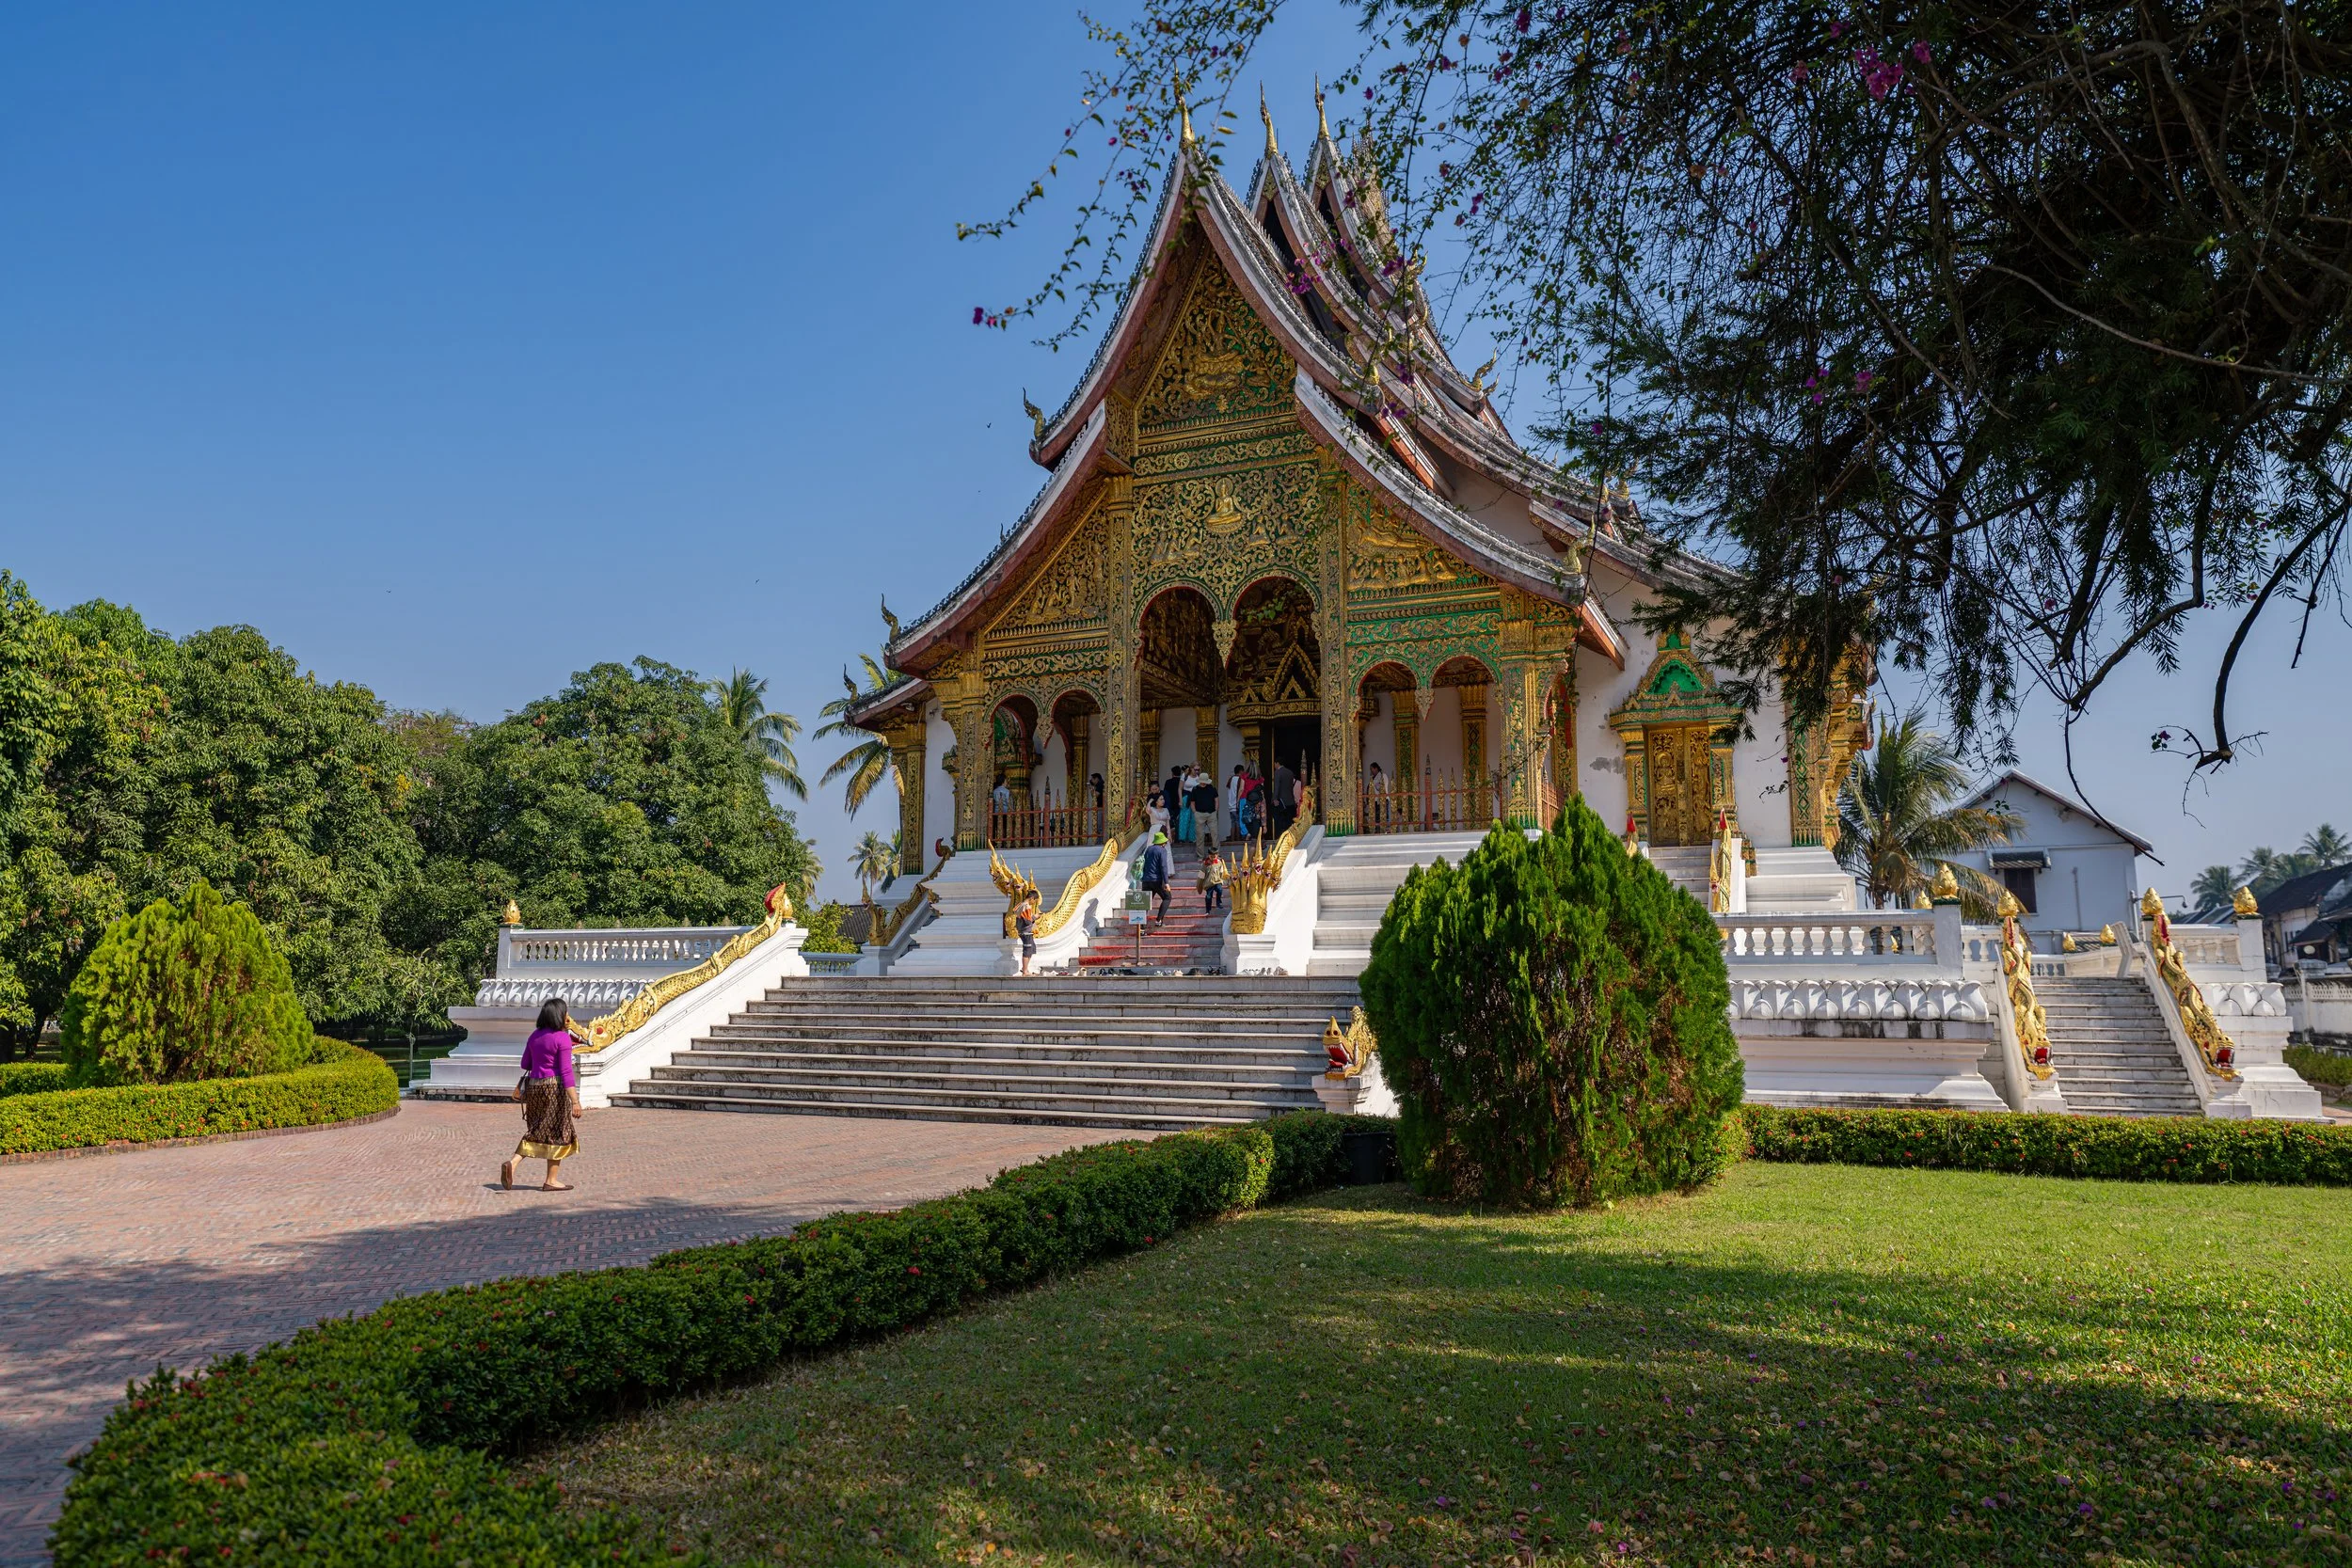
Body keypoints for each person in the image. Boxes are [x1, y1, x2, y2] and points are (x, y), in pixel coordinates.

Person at [503, 998, 585, 1192]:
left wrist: (541, 1059)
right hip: (553, 1088)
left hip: (535, 1086)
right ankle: (551, 1179)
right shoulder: (562, 1037)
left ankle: (515, 1163)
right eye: (565, 1012)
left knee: (538, 1127)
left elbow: (525, 1064)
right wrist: (575, 1101)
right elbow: (566, 1071)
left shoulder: (535, 1036)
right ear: (559, 1015)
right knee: (559, 1131)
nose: (568, 1016)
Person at [1140, 831, 1172, 922]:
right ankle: (1159, 920)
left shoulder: (1148, 849)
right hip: (1157, 880)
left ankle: (1141, 928)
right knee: (1167, 898)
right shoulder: (1162, 850)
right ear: (1162, 842)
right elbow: (1163, 866)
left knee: (1145, 904)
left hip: (1146, 880)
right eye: (1165, 842)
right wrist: (1166, 883)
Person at [1190, 769, 1219, 852]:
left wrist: (1215, 811)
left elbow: (1216, 800)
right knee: (1200, 836)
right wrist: (1195, 812)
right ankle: (1200, 855)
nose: (1203, 783)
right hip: (1199, 814)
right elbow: (1192, 802)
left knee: (1215, 834)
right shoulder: (1195, 789)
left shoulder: (1212, 789)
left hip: (1211, 813)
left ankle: (1216, 854)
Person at [1014, 892, 1040, 975]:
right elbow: (1028, 921)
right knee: (1027, 949)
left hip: (1025, 931)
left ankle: (1025, 968)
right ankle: (1025, 971)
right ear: (1032, 898)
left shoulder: (1021, 905)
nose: (1033, 903)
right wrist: (1035, 917)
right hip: (1025, 931)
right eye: (1034, 901)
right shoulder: (1026, 906)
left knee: (1031, 948)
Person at [1271, 758, 1295, 837]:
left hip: (1281, 801)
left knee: (1279, 822)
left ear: (1277, 763)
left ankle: (1280, 837)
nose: (1274, 766)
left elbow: (1276, 787)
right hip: (1290, 801)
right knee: (1289, 822)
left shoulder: (1278, 772)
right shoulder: (1290, 772)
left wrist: (1274, 799)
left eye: (1274, 764)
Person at [1199, 846, 1228, 912]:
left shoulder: (1219, 863)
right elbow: (1201, 876)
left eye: (1214, 857)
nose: (1212, 858)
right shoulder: (1205, 865)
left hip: (1217, 881)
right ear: (1209, 855)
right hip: (1209, 883)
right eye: (1211, 857)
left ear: (1217, 855)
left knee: (1219, 889)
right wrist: (1199, 886)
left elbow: (1222, 872)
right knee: (1208, 897)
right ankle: (1208, 909)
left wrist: (1223, 880)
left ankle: (1218, 902)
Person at [1365, 760, 1391, 830]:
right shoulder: (1373, 778)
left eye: (1372, 769)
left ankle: (1385, 830)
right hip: (1375, 801)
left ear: (1376, 768)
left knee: (1384, 817)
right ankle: (1377, 830)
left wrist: (1376, 785)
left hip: (1383, 800)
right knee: (1377, 818)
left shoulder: (1383, 776)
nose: (1371, 771)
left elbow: (1382, 787)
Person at [1226, 764, 1246, 842]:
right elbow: (1240, 791)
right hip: (1236, 804)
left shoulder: (1230, 779)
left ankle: (1233, 840)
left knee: (1233, 823)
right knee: (1238, 822)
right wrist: (1238, 803)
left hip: (1230, 805)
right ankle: (1238, 840)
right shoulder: (1240, 779)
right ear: (1241, 771)